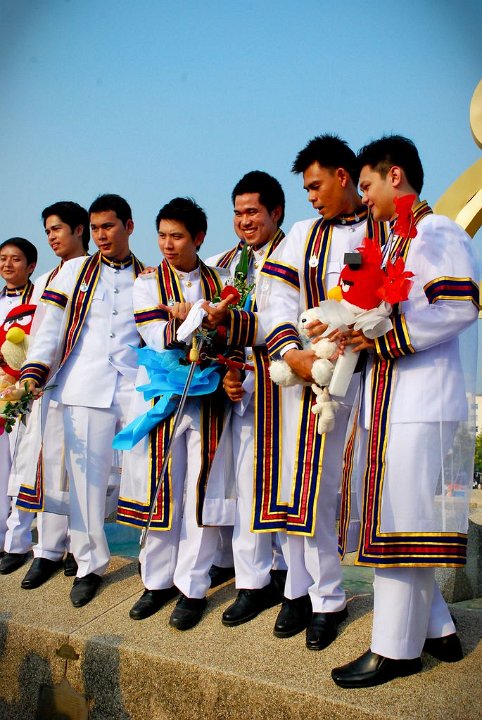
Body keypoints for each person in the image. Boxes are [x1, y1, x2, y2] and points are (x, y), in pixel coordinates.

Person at [331, 135, 479, 688]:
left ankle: (394, 650)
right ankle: (439, 630)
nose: (364, 197)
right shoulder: (394, 240)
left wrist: (384, 338)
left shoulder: (434, 230)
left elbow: (460, 305)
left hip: (420, 402)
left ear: (395, 177)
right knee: (399, 520)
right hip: (394, 402)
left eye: (367, 184)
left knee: (398, 527)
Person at [259, 135, 387, 650]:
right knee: (308, 483)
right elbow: (276, 300)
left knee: (365, 486)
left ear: (343, 175)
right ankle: (318, 595)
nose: (311, 197)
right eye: (306, 190)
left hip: (376, 374)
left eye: (316, 186)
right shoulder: (303, 234)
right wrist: (292, 353)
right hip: (315, 378)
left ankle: (414, 611)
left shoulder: (385, 226)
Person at [19, 194, 144, 607]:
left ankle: (154, 564)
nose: (101, 235)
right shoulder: (74, 271)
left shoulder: (148, 276)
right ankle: (89, 565)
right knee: (85, 480)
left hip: (133, 388)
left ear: (128, 226)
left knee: (140, 476)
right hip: (86, 386)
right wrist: (35, 369)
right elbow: (50, 327)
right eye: (95, 229)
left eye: (109, 226)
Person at [117, 197, 230, 629]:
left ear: (198, 237)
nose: (167, 244)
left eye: (177, 236)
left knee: (201, 489)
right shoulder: (147, 283)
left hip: (210, 397)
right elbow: (155, 334)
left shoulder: (222, 280)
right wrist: (197, 318)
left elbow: (231, 332)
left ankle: (193, 586)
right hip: (163, 395)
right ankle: (156, 580)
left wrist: (199, 318)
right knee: (163, 484)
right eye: (162, 235)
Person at [203, 170, 287, 626]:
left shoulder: (294, 256)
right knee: (245, 484)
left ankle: (289, 577)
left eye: (252, 211)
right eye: (237, 213)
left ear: (276, 212)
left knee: (286, 485)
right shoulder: (223, 264)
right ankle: (252, 580)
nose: (244, 221)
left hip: (284, 386)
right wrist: (228, 371)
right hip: (239, 390)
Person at [16, 201, 89, 589]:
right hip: (46, 382)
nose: (51, 237)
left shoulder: (95, 271)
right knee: (46, 464)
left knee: (81, 468)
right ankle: (46, 549)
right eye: (47, 231)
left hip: (83, 382)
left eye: (57, 228)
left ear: (79, 229)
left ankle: (79, 548)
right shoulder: (45, 279)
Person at [0, 237, 37, 572]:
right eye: (2, 258)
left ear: (31, 266)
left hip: (26, 395)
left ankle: (18, 541)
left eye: (15, 259)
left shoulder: (39, 302)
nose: (7, 265)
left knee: (23, 469)